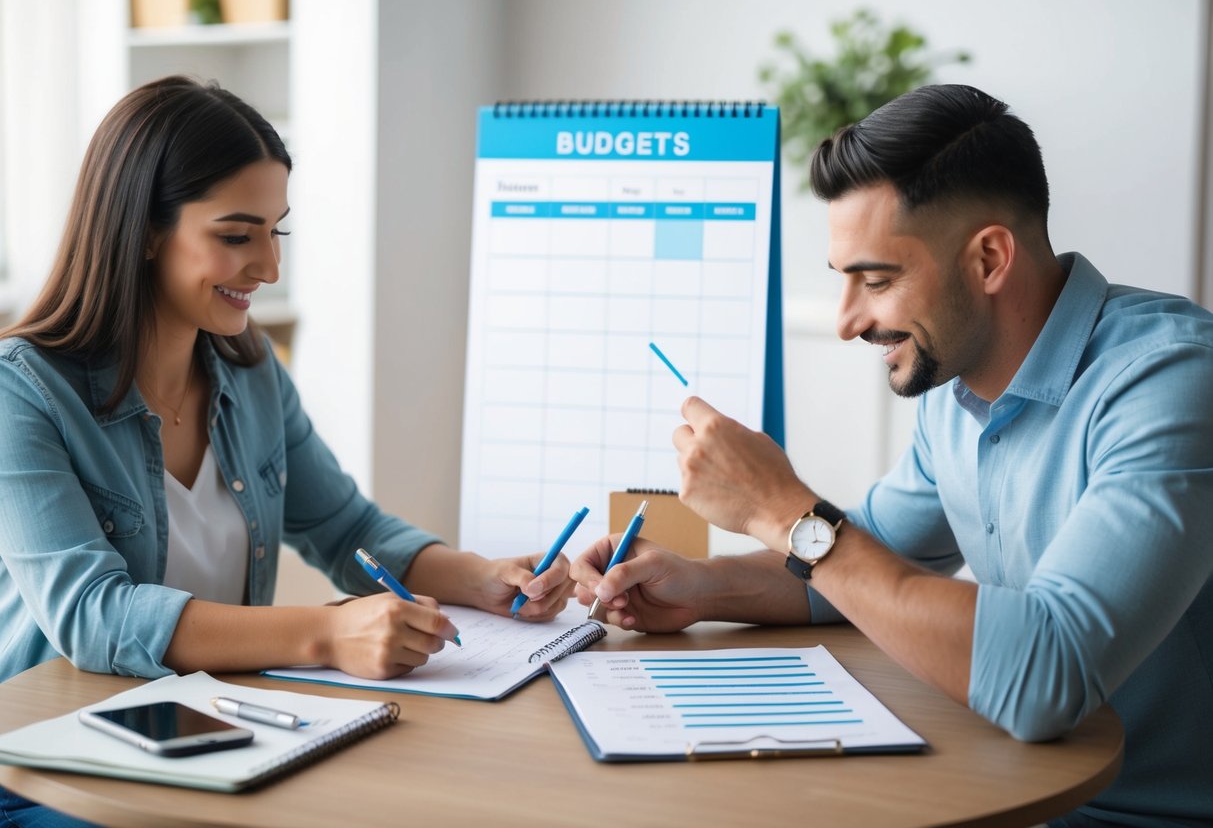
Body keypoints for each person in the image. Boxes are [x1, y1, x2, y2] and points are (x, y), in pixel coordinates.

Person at [572, 84, 1213, 827]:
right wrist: (699, 587)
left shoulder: (1169, 384)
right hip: (1014, 792)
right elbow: (851, 567)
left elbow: (1046, 676)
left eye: (876, 281)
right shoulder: (955, 386)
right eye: (842, 281)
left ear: (989, 258)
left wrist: (783, 510)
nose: (847, 322)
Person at [0, 76, 572, 825]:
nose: (269, 267)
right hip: (46, 772)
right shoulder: (23, 393)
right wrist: (329, 632)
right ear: (142, 230)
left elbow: (346, 531)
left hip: (213, 743)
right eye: (237, 236)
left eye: (278, 232)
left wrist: (483, 577)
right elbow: (94, 618)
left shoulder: (249, 370)